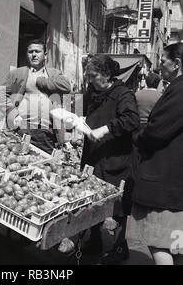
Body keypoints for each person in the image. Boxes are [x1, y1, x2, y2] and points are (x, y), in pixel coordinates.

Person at [127, 43, 183, 265]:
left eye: (163, 61)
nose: (159, 66)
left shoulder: (180, 89)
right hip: (174, 179)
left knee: (159, 242)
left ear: (176, 63)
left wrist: (139, 137)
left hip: (166, 179)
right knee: (175, 245)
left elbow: (158, 130)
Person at [81, 54, 140, 264]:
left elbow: (131, 120)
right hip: (94, 155)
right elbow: (86, 113)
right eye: (87, 76)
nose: (90, 80)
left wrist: (105, 130)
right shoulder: (92, 92)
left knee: (118, 203)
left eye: (93, 76)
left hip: (117, 157)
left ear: (106, 74)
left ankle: (120, 246)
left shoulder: (123, 94)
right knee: (92, 199)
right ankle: (95, 240)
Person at [0, 39, 71, 154]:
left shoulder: (54, 73)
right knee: (21, 162)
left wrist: (41, 81)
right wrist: (12, 113)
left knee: (45, 165)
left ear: (45, 55)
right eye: (30, 52)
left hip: (46, 132)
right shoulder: (18, 73)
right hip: (23, 128)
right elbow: (1, 94)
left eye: (37, 51)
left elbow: (66, 86)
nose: (34, 55)